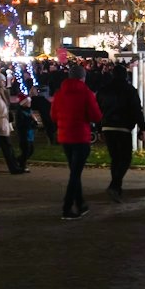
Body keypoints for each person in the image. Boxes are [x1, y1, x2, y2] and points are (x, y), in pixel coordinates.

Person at [51, 64, 101, 219]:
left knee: (74, 172)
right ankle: (67, 207)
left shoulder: (59, 93)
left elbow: (53, 115)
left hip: (65, 137)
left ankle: (80, 204)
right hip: (80, 136)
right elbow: (96, 115)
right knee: (75, 174)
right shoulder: (86, 93)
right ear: (82, 77)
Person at [95, 64, 142, 201]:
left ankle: (117, 188)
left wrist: (99, 128)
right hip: (123, 127)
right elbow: (136, 109)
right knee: (125, 159)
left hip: (108, 127)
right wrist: (142, 127)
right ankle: (114, 186)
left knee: (115, 158)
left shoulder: (103, 90)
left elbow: (99, 111)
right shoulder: (130, 90)